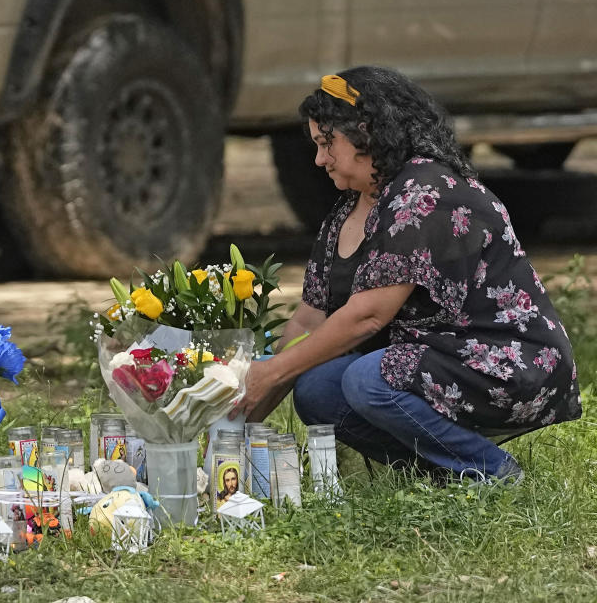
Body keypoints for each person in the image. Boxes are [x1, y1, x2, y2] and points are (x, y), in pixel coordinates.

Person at [231, 66, 580, 482]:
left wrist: (269, 372)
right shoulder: (350, 210)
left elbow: (368, 315)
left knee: (366, 379)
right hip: (432, 363)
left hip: (505, 361)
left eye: (328, 143)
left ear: (368, 133)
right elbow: (309, 320)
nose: (319, 159)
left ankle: (493, 472)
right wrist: (239, 415)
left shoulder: (425, 192)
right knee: (316, 389)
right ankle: (448, 474)